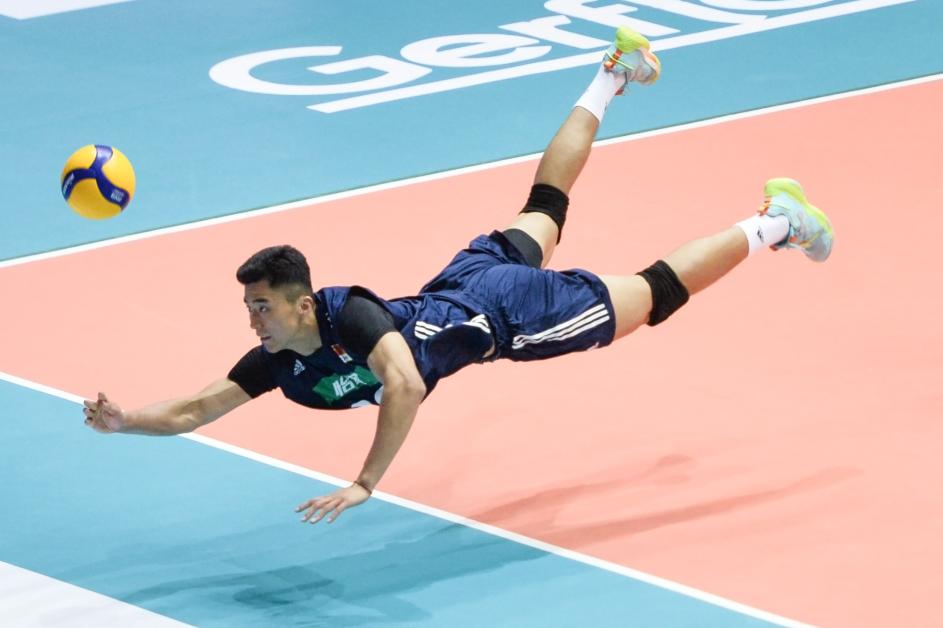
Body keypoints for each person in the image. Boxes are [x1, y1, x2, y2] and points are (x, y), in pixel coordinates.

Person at [83, 27, 834, 524]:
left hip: (507, 315)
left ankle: (776, 220)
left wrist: (365, 482)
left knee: (653, 295)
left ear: (304, 304)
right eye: (250, 307)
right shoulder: (278, 359)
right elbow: (196, 409)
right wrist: (125, 423)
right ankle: (615, 71)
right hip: (462, 282)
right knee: (545, 205)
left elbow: (405, 384)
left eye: (263, 307)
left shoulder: (351, 315)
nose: (253, 320)